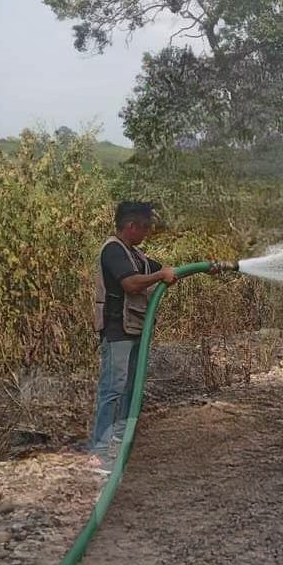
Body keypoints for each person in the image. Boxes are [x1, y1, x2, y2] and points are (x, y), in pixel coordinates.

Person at [89, 201, 178, 472]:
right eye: (145, 227)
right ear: (131, 226)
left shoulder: (135, 254)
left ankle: (121, 442)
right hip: (118, 332)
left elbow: (166, 270)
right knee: (113, 390)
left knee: (130, 387)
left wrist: (204, 267)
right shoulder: (113, 250)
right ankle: (99, 453)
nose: (148, 232)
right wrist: (161, 275)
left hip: (134, 329)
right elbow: (130, 283)